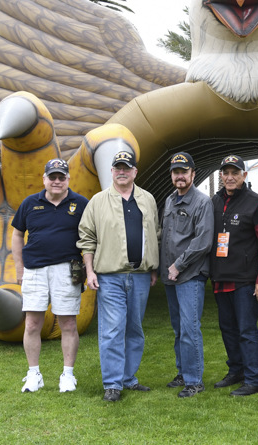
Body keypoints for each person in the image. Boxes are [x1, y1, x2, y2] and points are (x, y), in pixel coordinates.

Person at [77, 150, 160, 402]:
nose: (122, 171)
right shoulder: (97, 201)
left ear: (135, 172)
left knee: (134, 329)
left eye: (127, 167)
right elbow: (86, 238)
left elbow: (155, 234)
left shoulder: (148, 199)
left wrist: (153, 267)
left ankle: (129, 379)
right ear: (111, 172)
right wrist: (89, 271)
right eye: (117, 168)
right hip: (109, 276)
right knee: (112, 330)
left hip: (140, 276)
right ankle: (112, 384)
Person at [12, 158, 89, 394]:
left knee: (68, 323)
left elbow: (90, 238)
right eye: (52, 177)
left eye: (61, 177)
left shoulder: (81, 204)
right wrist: (19, 268)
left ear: (68, 179)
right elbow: (17, 235)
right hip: (34, 269)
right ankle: (34, 374)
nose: (57, 181)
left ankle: (68, 375)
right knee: (33, 323)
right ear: (44, 179)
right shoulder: (29, 203)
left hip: (68, 269)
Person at [210, 155, 258, 396]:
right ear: (221, 176)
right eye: (225, 172)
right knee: (227, 328)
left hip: (245, 280)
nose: (230, 177)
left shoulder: (256, 203)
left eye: (235, 173)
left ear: (244, 176)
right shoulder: (214, 201)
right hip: (220, 277)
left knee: (247, 330)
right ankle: (236, 370)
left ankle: (254, 379)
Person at [160, 152, 214, 398]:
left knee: (190, 327)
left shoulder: (202, 202)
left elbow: (203, 242)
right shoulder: (170, 200)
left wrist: (178, 266)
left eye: (184, 171)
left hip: (189, 275)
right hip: (170, 276)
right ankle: (182, 372)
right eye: (175, 172)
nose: (179, 176)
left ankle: (194, 381)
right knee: (178, 327)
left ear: (193, 174)